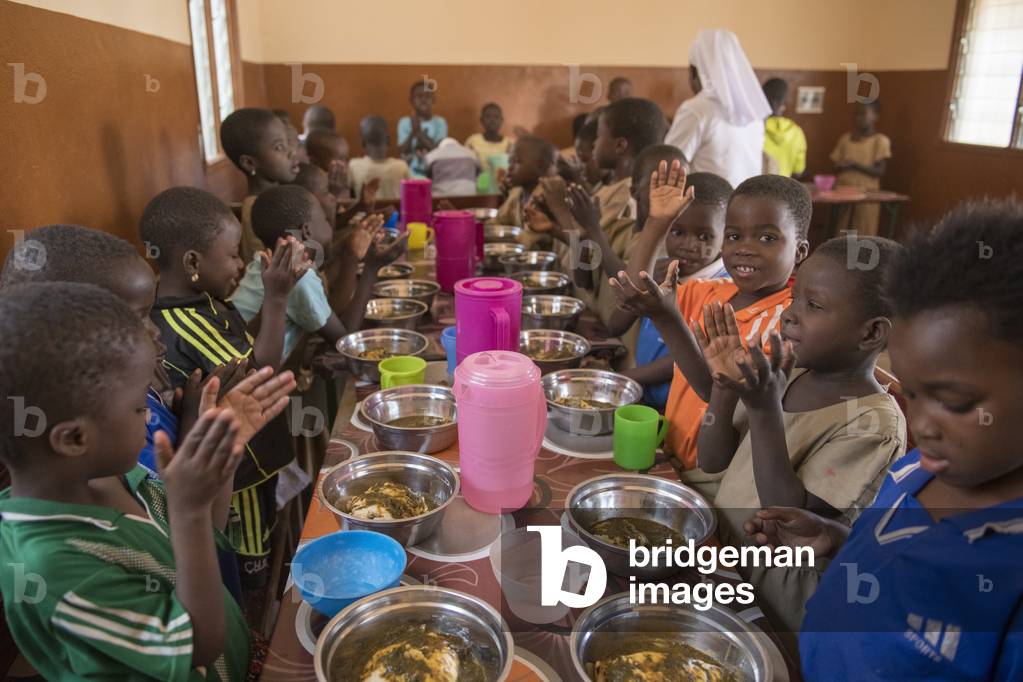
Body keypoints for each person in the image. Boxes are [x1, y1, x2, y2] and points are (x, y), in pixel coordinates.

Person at [747, 199, 1023, 678]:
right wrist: (835, 539)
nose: (923, 422)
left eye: (953, 402)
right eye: (911, 393)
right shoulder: (915, 472)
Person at [0, 282, 251, 680]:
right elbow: (198, 645)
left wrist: (219, 454)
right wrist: (187, 511)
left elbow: (206, 534)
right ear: (75, 437)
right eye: (139, 407)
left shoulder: (116, 477)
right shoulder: (52, 568)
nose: (150, 417)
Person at [696, 236, 906, 632]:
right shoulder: (786, 372)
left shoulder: (874, 425)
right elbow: (711, 461)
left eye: (814, 306)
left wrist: (764, 410)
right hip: (724, 562)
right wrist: (723, 388)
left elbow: (787, 512)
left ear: (871, 333)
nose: (790, 315)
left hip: (775, 601)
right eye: (794, 299)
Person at [140, 186, 305, 595]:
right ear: (193, 261)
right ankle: (254, 640)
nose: (239, 263)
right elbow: (259, 374)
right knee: (251, 569)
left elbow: (243, 348)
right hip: (238, 479)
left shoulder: (203, 302)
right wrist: (277, 297)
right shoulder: (184, 322)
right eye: (232, 254)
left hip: (244, 462)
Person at [610, 174, 810, 470]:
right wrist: (656, 224)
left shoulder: (788, 323)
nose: (745, 247)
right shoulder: (708, 292)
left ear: (800, 251)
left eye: (767, 237)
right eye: (734, 236)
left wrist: (668, 318)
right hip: (672, 451)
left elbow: (713, 388)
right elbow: (635, 293)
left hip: (716, 476)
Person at [608, 168, 732, 409]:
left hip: (681, 409)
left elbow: (689, 356)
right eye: (676, 232)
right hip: (647, 400)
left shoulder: (723, 287)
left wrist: (628, 378)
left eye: (705, 236)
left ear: (727, 235)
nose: (688, 245)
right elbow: (618, 321)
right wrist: (656, 225)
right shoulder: (665, 270)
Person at [233, 185, 396, 361]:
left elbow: (327, 311)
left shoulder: (263, 261)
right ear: (306, 230)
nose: (329, 225)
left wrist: (349, 250)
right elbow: (345, 341)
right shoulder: (296, 278)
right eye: (325, 219)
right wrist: (372, 267)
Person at [664, 29, 770, 187]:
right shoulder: (753, 112)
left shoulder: (696, 110)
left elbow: (668, 166)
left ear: (695, 71)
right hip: (745, 207)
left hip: (707, 207)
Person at [220, 107, 300, 264]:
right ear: (250, 163)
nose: (292, 152)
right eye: (279, 147)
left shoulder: (278, 198)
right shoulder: (256, 210)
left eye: (288, 143)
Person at [831, 100, 891, 235]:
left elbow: (880, 171)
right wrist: (841, 166)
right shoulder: (845, 139)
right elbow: (835, 165)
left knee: (862, 234)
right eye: (856, 113)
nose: (858, 118)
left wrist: (854, 165)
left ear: (875, 116)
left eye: (863, 114)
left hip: (866, 197)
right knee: (841, 232)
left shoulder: (880, 141)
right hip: (843, 194)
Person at [492, 135, 556, 247]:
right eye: (510, 162)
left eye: (516, 161)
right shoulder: (517, 192)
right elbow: (499, 221)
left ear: (540, 166)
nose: (509, 168)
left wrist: (481, 241)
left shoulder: (545, 198)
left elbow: (525, 242)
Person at [348, 115, 410, 200]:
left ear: (363, 143)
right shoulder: (401, 166)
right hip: (395, 213)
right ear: (388, 140)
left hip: (366, 213)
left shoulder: (353, 165)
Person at [398, 80, 448, 177]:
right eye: (419, 96)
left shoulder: (440, 122)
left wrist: (420, 134)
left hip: (434, 174)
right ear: (411, 100)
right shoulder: (404, 122)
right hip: (410, 174)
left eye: (427, 96)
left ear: (433, 100)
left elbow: (439, 151)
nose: (423, 99)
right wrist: (413, 133)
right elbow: (402, 151)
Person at [762, 78, 806, 178]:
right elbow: (798, 170)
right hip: (783, 188)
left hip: (755, 188)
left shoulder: (755, 129)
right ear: (785, 100)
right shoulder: (796, 131)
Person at [465, 103, 512, 194]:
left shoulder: (509, 144)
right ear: (481, 120)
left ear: (501, 120)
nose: (492, 120)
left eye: (496, 117)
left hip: (502, 188)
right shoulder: (473, 141)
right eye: (488, 116)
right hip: (480, 185)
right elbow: (468, 168)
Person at [306, 129, 351, 199]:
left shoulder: (342, 181)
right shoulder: (312, 186)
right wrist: (334, 192)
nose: (345, 165)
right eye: (341, 159)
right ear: (315, 162)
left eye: (347, 159)